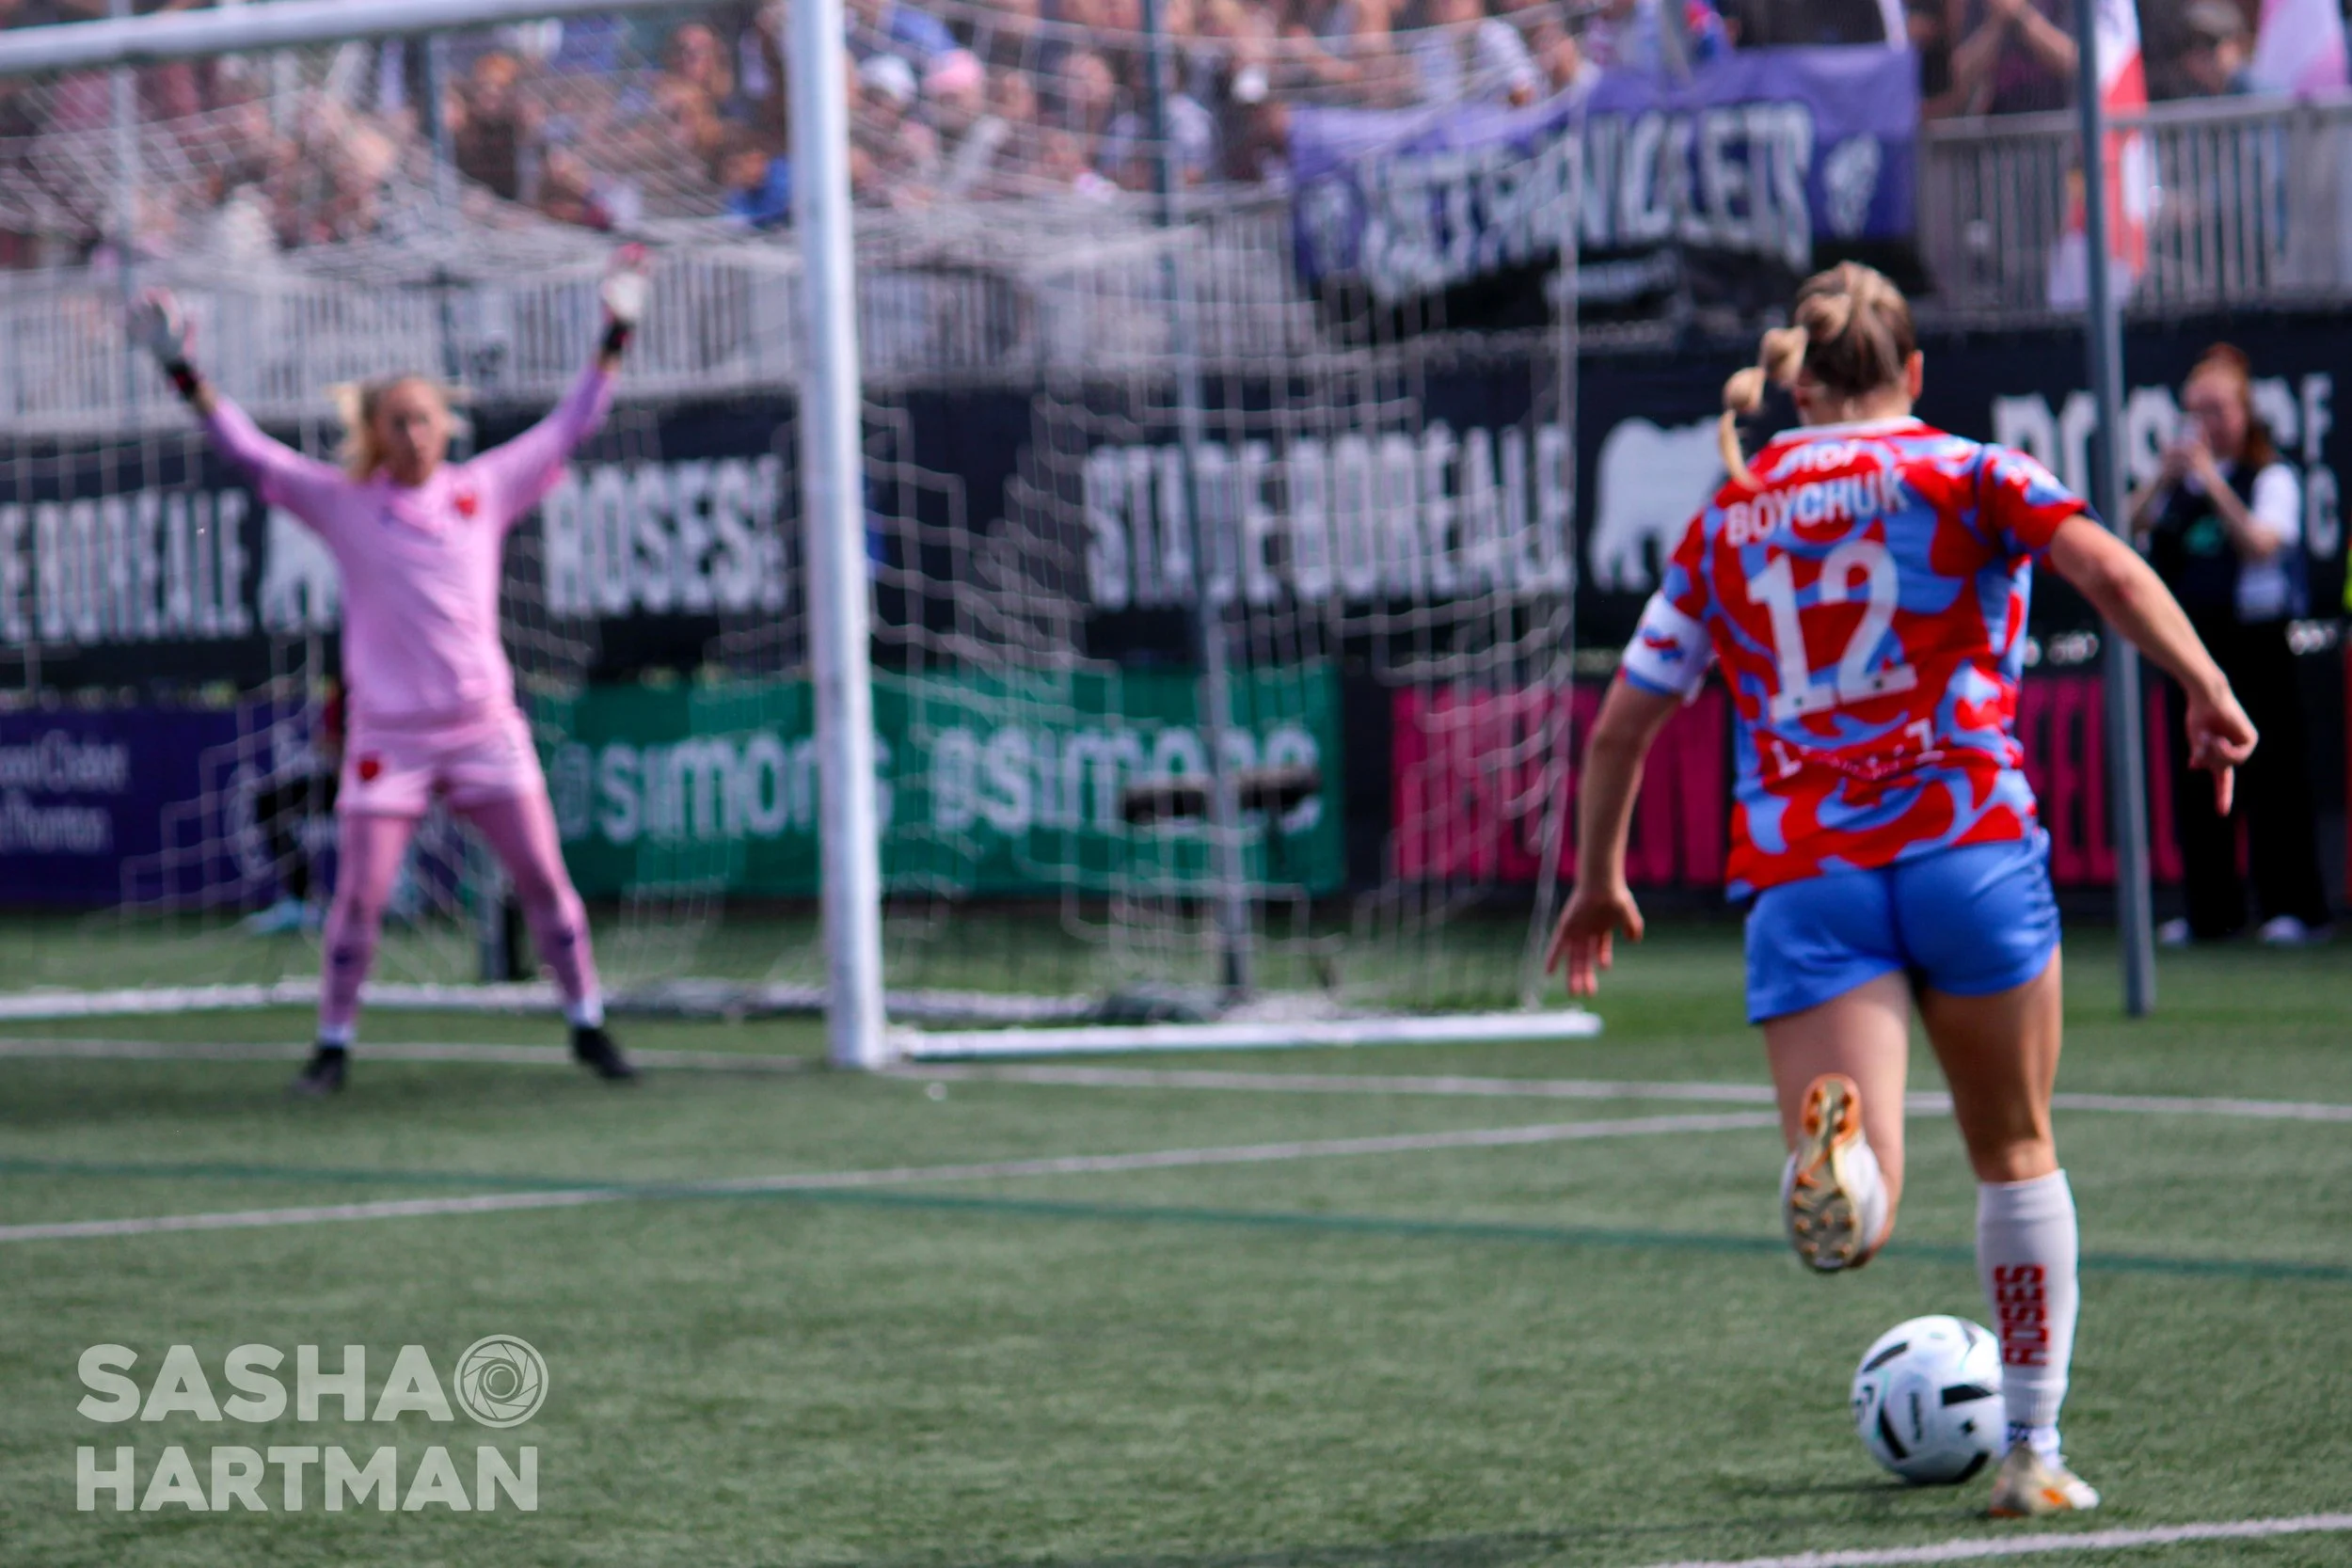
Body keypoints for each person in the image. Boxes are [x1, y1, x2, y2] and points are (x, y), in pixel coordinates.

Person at [1546, 263, 2255, 1518]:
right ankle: (2032, 1449)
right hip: (1967, 848)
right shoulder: (1971, 471)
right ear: (1915, 373)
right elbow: (2113, 574)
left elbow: (1621, 728)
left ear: (1801, 383)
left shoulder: (1732, 514)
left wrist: (1601, 876)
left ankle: (1846, 1170)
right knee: (2018, 1149)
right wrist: (2204, 686)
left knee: (1865, 1203)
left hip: (1810, 878)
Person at [128, 249, 654, 1097]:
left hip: (485, 730)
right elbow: (252, 451)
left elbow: (572, 424)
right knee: (361, 902)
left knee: (547, 884)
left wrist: (617, 329)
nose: (413, 434)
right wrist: (181, 369)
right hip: (392, 741)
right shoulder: (344, 502)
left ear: (447, 424)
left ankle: (588, 1023)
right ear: (373, 432)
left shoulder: (482, 488)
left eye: (424, 418)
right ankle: (333, 1044)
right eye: (397, 422)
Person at [2128, 344, 2333, 945]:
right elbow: (2123, 531)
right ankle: (2209, 912)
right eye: (2196, 412)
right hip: (2195, 647)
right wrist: (2161, 481)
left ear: (2244, 413)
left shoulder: (2270, 476)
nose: (2206, 426)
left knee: (2272, 779)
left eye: (2217, 410)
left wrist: (2213, 481)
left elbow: (2263, 543)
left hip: (2257, 645)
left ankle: (2293, 907)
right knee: (2197, 781)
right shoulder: (2179, 485)